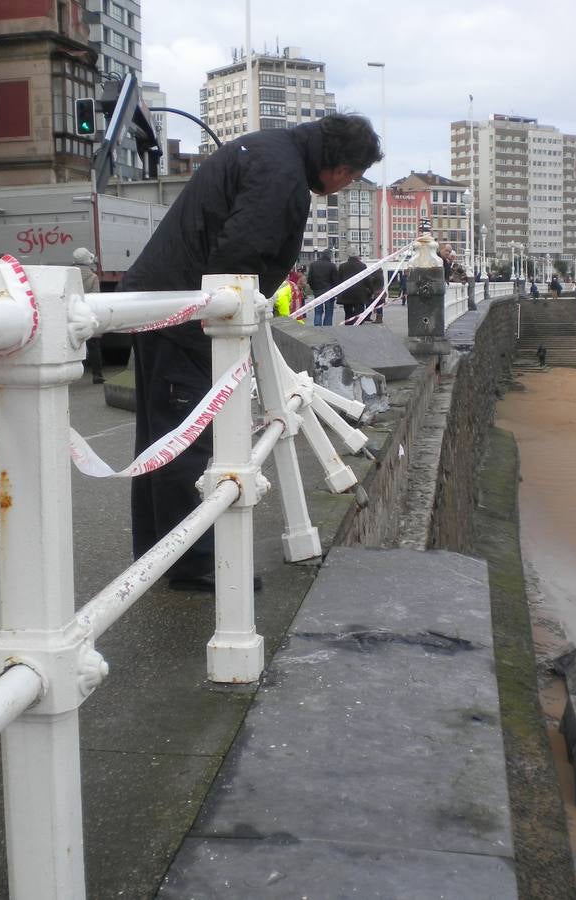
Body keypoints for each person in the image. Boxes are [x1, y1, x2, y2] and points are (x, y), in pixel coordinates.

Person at [120, 114, 382, 592]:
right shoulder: (281, 173)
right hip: (186, 318)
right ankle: (195, 561)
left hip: (168, 304)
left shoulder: (270, 153)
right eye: (350, 174)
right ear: (336, 162)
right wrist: (232, 321)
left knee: (164, 435)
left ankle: (161, 551)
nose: (347, 185)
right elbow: (240, 256)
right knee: (189, 435)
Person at [74, 247, 106, 383]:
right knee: (94, 345)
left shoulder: (69, 275)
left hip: (72, 313)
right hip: (87, 313)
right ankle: (97, 375)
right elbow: (96, 299)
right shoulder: (93, 277)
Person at [308, 251, 338, 325]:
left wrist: (314, 288)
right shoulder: (332, 266)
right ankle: (327, 328)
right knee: (329, 311)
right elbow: (335, 280)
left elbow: (310, 279)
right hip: (329, 292)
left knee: (318, 311)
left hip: (317, 291)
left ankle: (317, 327)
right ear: (329, 256)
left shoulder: (313, 265)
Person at [336, 254, 369, 324]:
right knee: (359, 311)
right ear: (357, 257)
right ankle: (358, 324)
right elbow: (367, 280)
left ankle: (348, 324)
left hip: (346, 293)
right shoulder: (362, 266)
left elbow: (339, 280)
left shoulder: (342, 266)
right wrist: (371, 290)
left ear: (348, 256)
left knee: (348, 312)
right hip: (359, 294)